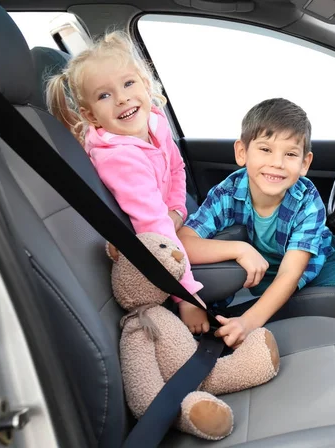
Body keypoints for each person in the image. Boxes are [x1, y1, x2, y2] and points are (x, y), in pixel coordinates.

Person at [179, 98, 335, 348]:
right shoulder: (227, 193)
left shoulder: (306, 199)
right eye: (265, 149)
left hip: (328, 247)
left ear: (305, 163)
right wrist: (239, 253)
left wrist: (248, 321)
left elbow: (294, 267)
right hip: (291, 267)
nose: (277, 163)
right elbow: (182, 242)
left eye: (290, 154)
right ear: (242, 152)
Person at [46, 31, 208, 334]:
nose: (122, 98)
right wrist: (186, 295)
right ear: (90, 115)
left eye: (128, 83)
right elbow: (152, 226)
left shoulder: (155, 123)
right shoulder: (119, 159)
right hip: (146, 251)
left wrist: (176, 210)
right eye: (104, 95)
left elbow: (176, 168)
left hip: (165, 225)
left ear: (145, 85)